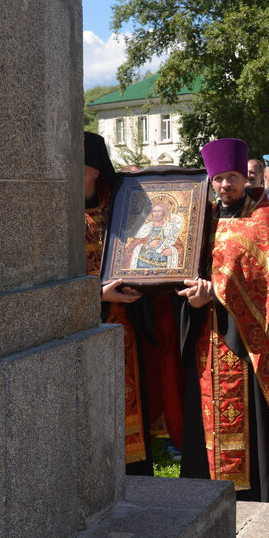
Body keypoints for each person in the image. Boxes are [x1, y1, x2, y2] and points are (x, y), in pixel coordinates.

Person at [176, 138, 269, 502]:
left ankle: (254, 493)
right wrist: (194, 296)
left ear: (245, 178)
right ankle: (208, 492)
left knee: (252, 421)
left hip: (247, 342)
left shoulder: (260, 217)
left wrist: (217, 290)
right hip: (207, 335)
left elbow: (265, 278)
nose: (226, 185)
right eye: (220, 178)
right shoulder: (200, 221)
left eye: (233, 177)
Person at [84, 132, 184, 476]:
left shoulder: (122, 206)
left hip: (126, 322)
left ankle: (136, 472)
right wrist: (97, 295)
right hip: (80, 325)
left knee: (129, 401)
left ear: (95, 170)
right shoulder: (58, 214)